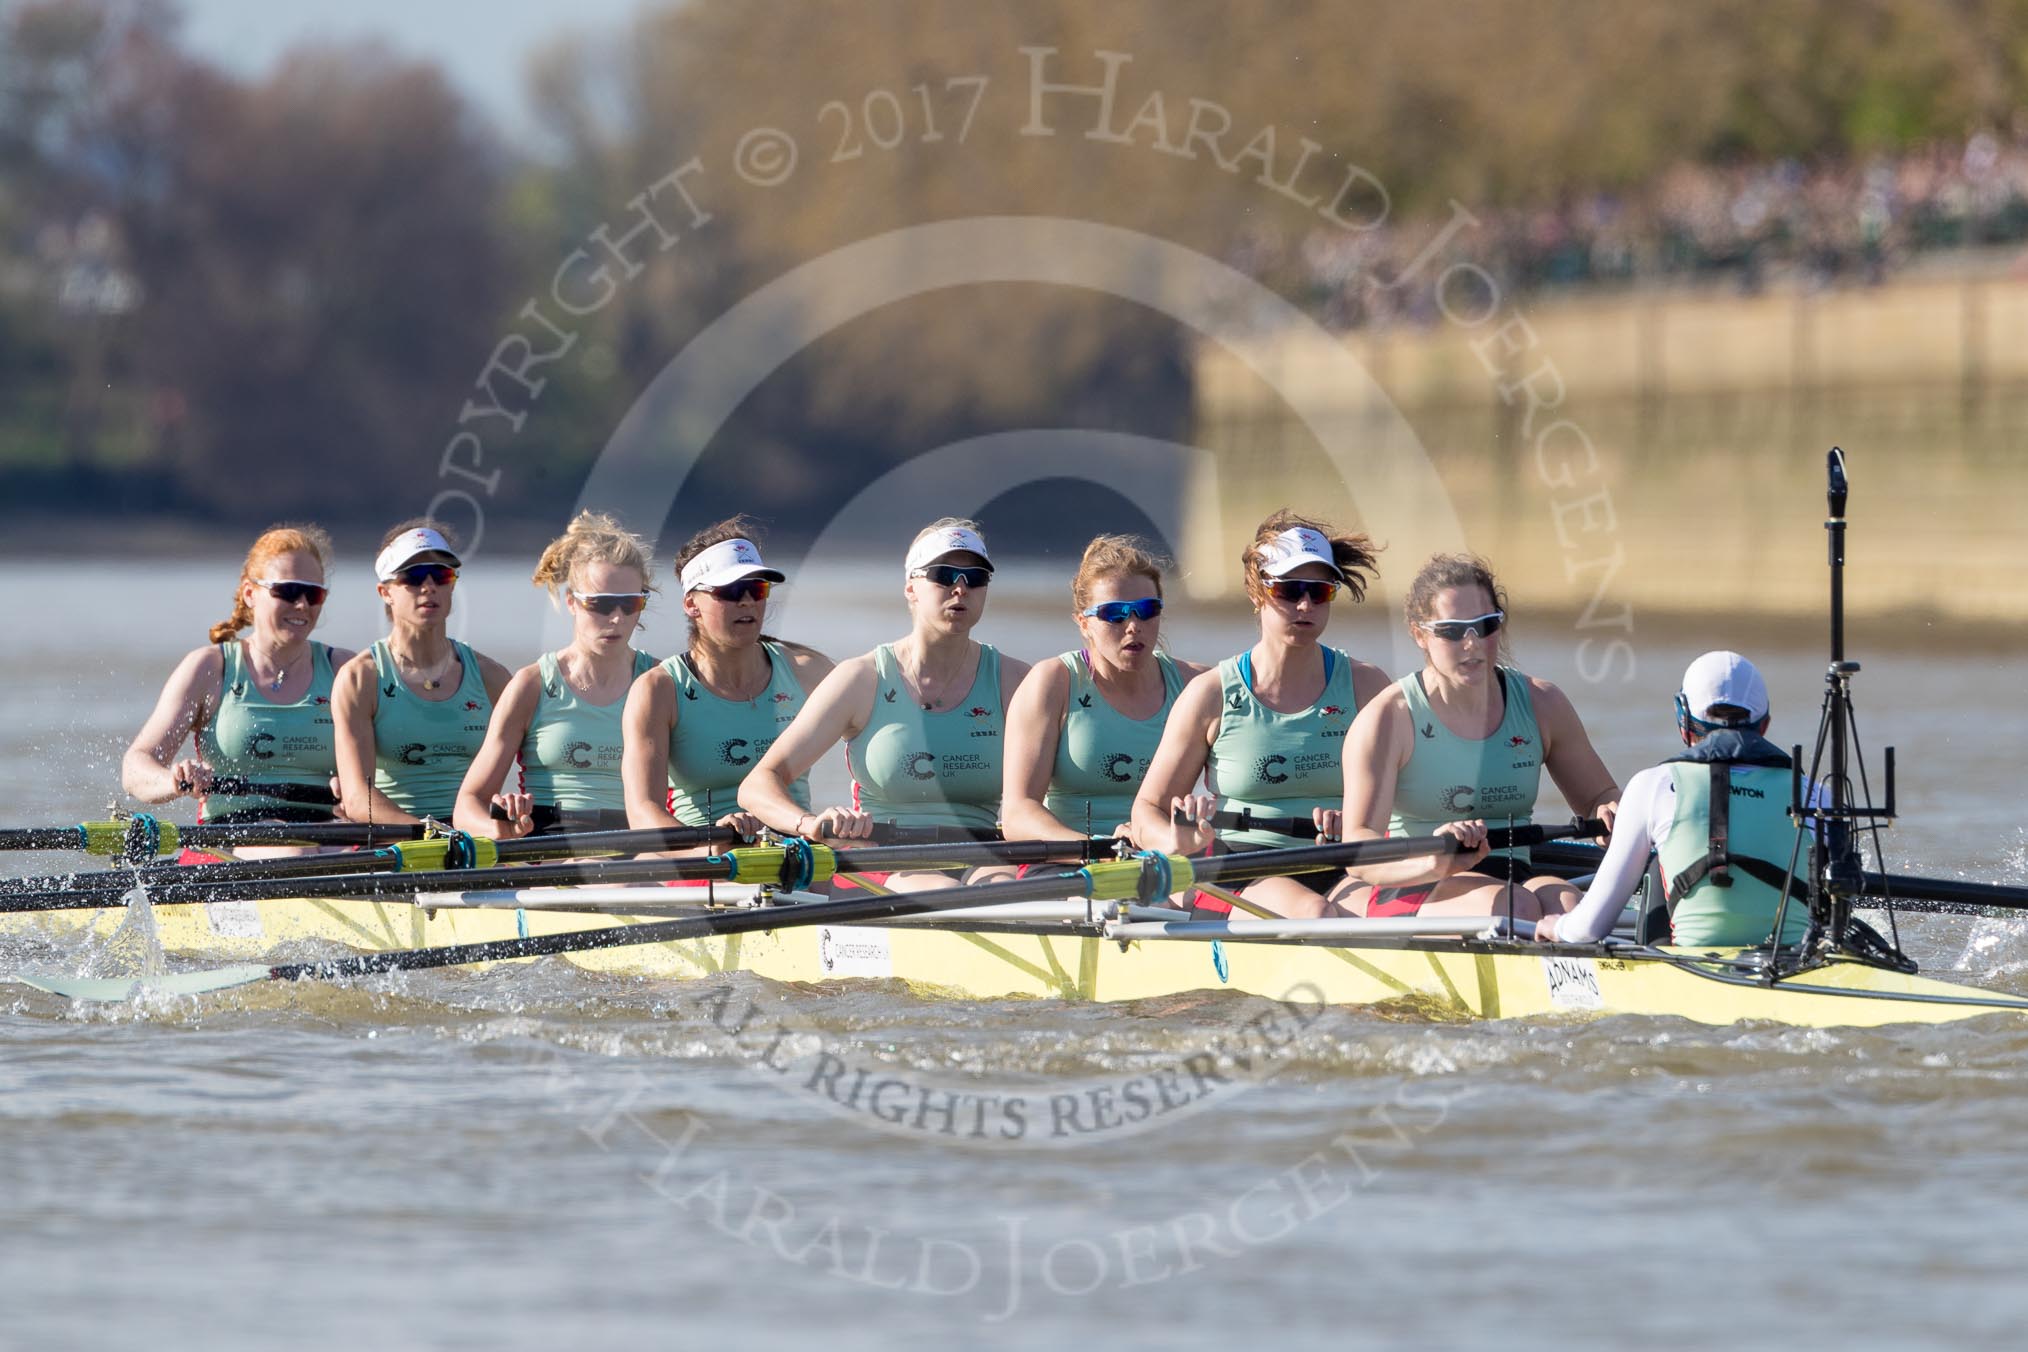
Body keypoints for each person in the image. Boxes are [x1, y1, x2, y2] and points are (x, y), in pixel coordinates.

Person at [738, 518, 1031, 891]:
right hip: (878, 854)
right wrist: (807, 824)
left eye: (975, 578)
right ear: (911, 588)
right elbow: (758, 784)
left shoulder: (1016, 681)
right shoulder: (861, 679)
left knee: (1005, 893)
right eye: (943, 575)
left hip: (983, 853)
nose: (960, 588)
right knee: (943, 893)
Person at [1331, 553, 1620, 922]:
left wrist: (1610, 814)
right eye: (1452, 631)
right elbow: (1357, 849)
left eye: (1484, 626)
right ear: (1419, 634)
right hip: (1417, 882)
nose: (1472, 644)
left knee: (1570, 906)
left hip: (1515, 879)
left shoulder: (1542, 704)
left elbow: (1599, 796)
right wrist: (1433, 861)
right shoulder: (1388, 718)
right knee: (1515, 907)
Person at [1132, 512, 1390, 919]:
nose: (1305, 604)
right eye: (1289, 590)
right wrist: (1175, 840)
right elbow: (1147, 809)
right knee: (1314, 913)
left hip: (1343, 865)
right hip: (1240, 869)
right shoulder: (1211, 694)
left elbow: (1414, 800)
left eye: (1319, 592)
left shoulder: (1367, 686)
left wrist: (1365, 821)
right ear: (1257, 592)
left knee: (1390, 913)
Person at [1538, 651, 1816, 947]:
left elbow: (1587, 930)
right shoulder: (1815, 794)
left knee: (1659, 871)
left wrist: (1558, 927)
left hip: (1689, 973)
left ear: (1682, 717)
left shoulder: (1653, 786)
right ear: (1764, 725)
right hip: (1793, 969)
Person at [122, 524, 354, 827]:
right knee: (286, 844)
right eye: (288, 591)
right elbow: (135, 767)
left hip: (328, 832)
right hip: (233, 833)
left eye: (314, 594)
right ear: (249, 594)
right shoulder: (209, 669)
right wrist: (176, 780)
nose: (302, 605)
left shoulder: (345, 671)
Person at [453, 512, 660, 839]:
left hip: (639, 844)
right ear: (571, 602)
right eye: (601, 605)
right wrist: (499, 828)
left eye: (630, 603)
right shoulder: (531, 685)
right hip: (552, 844)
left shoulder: (661, 682)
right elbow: (467, 806)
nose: (617, 618)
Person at [620, 519, 831, 836]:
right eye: (731, 590)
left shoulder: (808, 670)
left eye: (757, 588)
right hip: (702, 860)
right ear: (692, 604)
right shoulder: (658, 689)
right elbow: (643, 814)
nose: (747, 601)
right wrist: (707, 844)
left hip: (798, 855)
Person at [1002, 534, 1205, 844]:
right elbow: (1017, 815)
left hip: (1166, 858)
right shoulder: (1053, 683)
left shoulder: (1197, 686)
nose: (1134, 625)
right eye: (1114, 614)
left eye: (1147, 609)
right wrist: (1098, 846)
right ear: (1083, 623)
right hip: (1072, 861)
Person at [333, 520, 512, 825]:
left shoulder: (492, 677)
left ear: (452, 584)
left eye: (441, 575)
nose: (429, 586)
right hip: (399, 840)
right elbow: (357, 799)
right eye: (413, 577)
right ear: (385, 592)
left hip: (475, 837)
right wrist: (432, 834)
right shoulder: (361, 678)